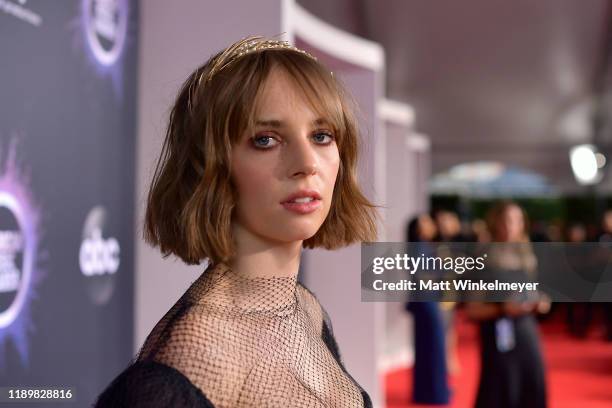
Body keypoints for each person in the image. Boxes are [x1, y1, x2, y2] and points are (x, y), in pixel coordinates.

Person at [94, 36, 377, 407]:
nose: (307, 163)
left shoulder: (306, 309)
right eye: (266, 140)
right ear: (208, 165)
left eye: (321, 136)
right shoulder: (190, 361)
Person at [465, 201, 548, 408]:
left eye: (517, 220)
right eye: (506, 220)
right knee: (500, 392)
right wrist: (502, 309)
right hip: (498, 337)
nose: (511, 226)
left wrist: (540, 302)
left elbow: (531, 292)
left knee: (531, 388)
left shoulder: (526, 256)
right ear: (495, 223)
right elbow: (471, 309)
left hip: (526, 334)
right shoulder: (482, 259)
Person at [404, 215, 451, 405]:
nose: (432, 225)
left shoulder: (424, 246)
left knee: (427, 347)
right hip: (427, 303)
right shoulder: (420, 247)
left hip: (426, 302)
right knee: (434, 348)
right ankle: (434, 391)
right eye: (426, 222)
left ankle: (427, 391)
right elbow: (422, 276)